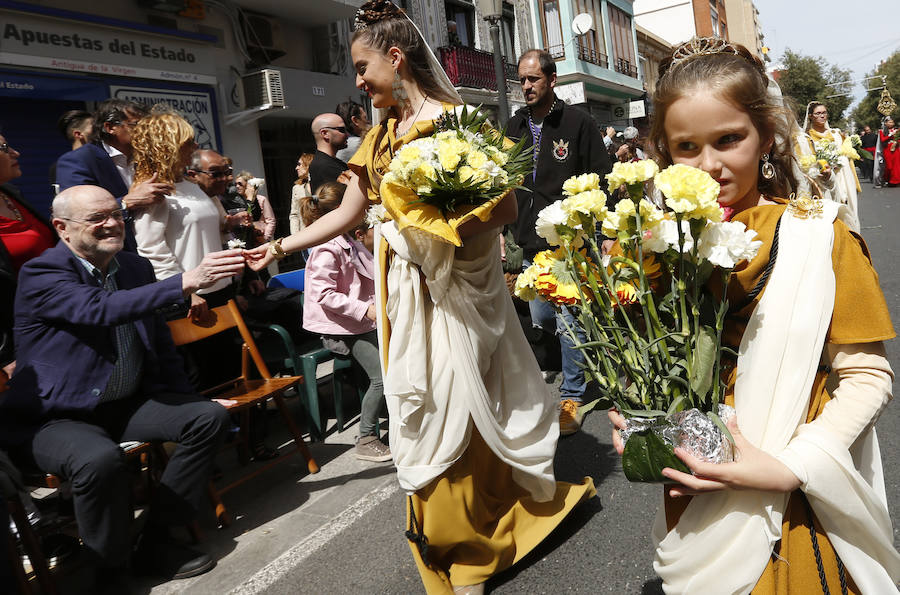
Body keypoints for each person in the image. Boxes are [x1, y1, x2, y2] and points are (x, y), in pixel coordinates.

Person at [245, 1, 595, 591]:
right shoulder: (379, 134)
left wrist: (429, 235)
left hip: (450, 284)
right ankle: (460, 526)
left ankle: (466, 547)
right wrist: (280, 247)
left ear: (396, 57)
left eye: (362, 67)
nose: (357, 82)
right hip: (402, 288)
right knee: (425, 401)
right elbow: (353, 211)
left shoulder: (457, 122)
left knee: (451, 397)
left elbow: (504, 210)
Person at [608, 37, 899, 593]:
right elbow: (643, 360)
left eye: (729, 140)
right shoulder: (649, 247)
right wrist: (634, 415)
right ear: (664, 154)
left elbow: (866, 377)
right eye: (686, 147)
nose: (710, 166)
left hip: (794, 500)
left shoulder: (820, 235)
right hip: (693, 493)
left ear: (765, 136)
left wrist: (789, 468)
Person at [0, 185, 245, 591]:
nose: (112, 223)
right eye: (96, 218)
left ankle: (157, 541)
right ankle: (111, 571)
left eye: (116, 213)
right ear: (61, 228)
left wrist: (187, 399)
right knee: (99, 461)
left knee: (207, 417)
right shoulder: (42, 272)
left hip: (124, 404)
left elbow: (161, 347)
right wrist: (188, 280)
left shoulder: (134, 268)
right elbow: (99, 309)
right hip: (56, 415)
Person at [507, 48, 612, 435]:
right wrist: (506, 234)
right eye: (522, 79)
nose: (526, 86)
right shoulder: (513, 126)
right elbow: (505, 183)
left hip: (568, 238)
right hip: (528, 238)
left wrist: (604, 233)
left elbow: (602, 176)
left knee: (568, 317)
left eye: (533, 79)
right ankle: (591, 354)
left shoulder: (578, 122)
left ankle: (573, 395)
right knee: (542, 316)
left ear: (552, 80)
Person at [300, 181, 388, 462]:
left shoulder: (349, 239)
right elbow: (324, 295)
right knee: (381, 377)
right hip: (344, 326)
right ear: (342, 210)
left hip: (361, 320)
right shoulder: (326, 248)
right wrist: (366, 310)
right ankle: (366, 437)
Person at [131, 113, 246, 319]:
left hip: (221, 289)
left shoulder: (192, 185)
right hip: (193, 299)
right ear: (168, 146)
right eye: (187, 142)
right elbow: (152, 249)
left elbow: (209, 231)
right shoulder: (153, 190)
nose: (194, 147)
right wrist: (185, 291)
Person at [56, 99, 173, 252]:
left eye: (148, 126)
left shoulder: (150, 157)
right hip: (114, 255)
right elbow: (78, 213)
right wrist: (127, 202)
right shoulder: (79, 160)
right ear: (110, 127)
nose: (147, 132)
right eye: (137, 125)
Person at [1, 133, 56, 388]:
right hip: (16, 342)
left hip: (54, 323)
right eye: (4, 148)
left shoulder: (12, 194)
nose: (16, 153)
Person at [798, 101, 861, 231]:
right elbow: (806, 161)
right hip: (822, 181)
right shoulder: (806, 138)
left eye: (824, 113)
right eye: (818, 113)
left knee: (846, 210)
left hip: (841, 177)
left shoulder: (836, 134)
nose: (822, 116)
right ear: (810, 116)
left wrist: (838, 161)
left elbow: (846, 156)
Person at [308, 113, 350, 192]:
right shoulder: (324, 166)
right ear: (325, 134)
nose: (347, 135)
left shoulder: (329, 163)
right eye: (342, 130)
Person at [234, 170, 276, 242]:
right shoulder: (235, 201)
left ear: (248, 185)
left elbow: (271, 220)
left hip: (260, 237)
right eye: (235, 184)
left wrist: (266, 237)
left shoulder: (261, 199)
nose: (237, 186)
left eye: (240, 184)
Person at [290, 153, 314, 235]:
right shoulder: (297, 188)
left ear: (308, 164)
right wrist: (295, 236)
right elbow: (294, 214)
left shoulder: (321, 183)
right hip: (305, 235)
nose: (296, 168)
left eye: (299, 164)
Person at [876, 116, 899, 187]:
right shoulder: (881, 131)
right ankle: (887, 179)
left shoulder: (897, 130)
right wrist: (890, 135)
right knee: (889, 166)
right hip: (887, 149)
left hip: (896, 148)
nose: (891, 123)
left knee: (896, 165)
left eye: (892, 122)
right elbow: (883, 139)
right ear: (885, 123)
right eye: (889, 122)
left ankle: (895, 181)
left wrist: (896, 142)